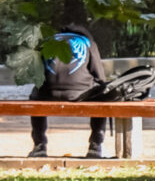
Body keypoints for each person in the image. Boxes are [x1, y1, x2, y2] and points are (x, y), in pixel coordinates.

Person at [29, 24, 108, 160]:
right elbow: (100, 77)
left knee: (35, 94)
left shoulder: (47, 42)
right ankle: (95, 145)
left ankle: (39, 145)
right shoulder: (88, 43)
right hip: (79, 94)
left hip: (48, 93)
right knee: (101, 97)